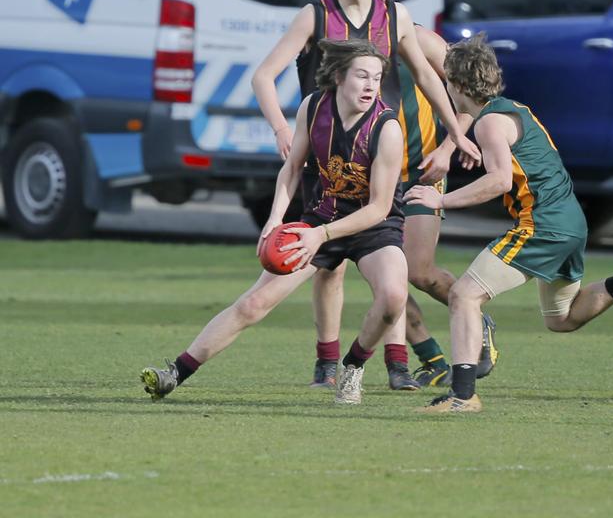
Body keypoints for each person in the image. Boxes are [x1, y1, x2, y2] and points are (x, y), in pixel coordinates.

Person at [405, 34, 613, 413]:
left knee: (463, 296)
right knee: (563, 319)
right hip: (571, 222)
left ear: (455, 86)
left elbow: (499, 182)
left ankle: (463, 394)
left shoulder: (489, 124)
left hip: (544, 225)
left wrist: (439, 199)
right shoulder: (513, 109)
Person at [250, 0, 483, 390]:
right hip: (325, 152)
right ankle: (328, 362)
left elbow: (435, 79)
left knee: (393, 262)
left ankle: (401, 362)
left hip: (383, 153)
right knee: (329, 263)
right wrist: (281, 128)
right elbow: (263, 77)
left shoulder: (399, 20)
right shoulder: (315, 16)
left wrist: (454, 136)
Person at [141, 40, 411, 406]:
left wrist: (321, 235)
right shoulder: (314, 107)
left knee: (394, 297)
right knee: (254, 304)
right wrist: (274, 220)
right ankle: (175, 373)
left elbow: (379, 208)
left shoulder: (387, 128)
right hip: (321, 217)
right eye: (362, 76)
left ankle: (353, 366)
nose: (370, 86)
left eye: (377, 79)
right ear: (338, 76)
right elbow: (292, 168)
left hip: (372, 227)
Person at [379, 0, 496, 388]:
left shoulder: (423, 41)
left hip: (421, 170)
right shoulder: (348, 41)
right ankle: (430, 356)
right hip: (373, 173)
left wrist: (448, 148)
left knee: (418, 271)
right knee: (380, 268)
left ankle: (475, 318)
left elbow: (475, 96)